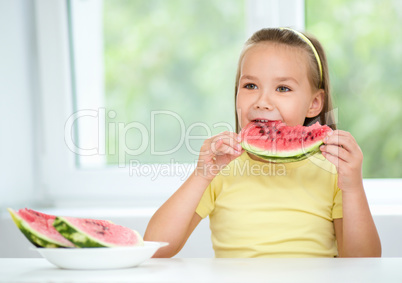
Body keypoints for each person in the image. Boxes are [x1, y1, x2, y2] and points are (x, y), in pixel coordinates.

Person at [144, 27, 381, 258]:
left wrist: (353, 188)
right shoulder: (222, 170)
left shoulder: (331, 172)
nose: (262, 101)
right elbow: (155, 246)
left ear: (314, 103)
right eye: (250, 86)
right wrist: (201, 174)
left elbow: (363, 262)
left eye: (283, 88)